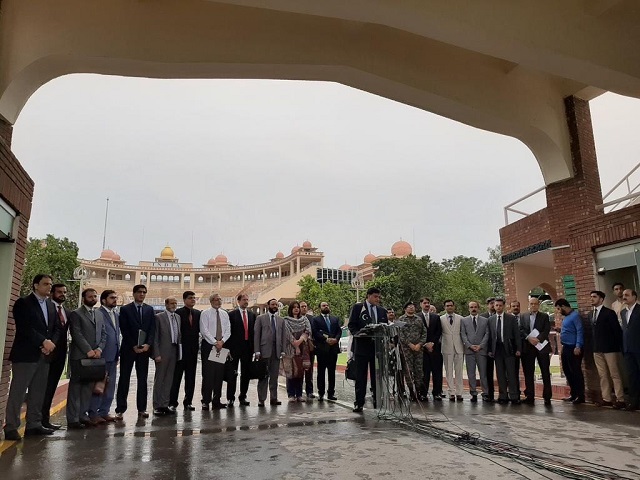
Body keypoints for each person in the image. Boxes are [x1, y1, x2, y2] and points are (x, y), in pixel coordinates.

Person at [4, 274, 58, 441]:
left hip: (45, 355)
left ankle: (34, 424)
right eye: (45, 284)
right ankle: (11, 427)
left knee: (38, 392)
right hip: (26, 355)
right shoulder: (23, 303)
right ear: (35, 285)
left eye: (50, 284)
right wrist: (43, 341)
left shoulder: (50, 305)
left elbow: (56, 328)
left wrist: (51, 344)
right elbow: (25, 327)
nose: (49, 287)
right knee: (18, 392)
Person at [66, 288, 107, 429]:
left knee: (88, 389)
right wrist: (88, 350)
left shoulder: (99, 314)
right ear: (84, 298)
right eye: (90, 296)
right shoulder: (76, 314)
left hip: (95, 357)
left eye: (95, 296)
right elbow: (76, 334)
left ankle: (83, 416)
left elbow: (103, 334)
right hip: (80, 357)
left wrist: (99, 349)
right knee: (75, 389)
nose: (93, 298)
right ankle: (73, 419)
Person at [115, 284, 156, 419]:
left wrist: (148, 345)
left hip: (144, 350)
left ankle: (142, 409)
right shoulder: (126, 309)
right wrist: (133, 344)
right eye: (139, 292)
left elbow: (152, 329)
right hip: (129, 349)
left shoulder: (150, 310)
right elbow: (124, 329)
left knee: (142, 380)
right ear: (134, 294)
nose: (142, 294)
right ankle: (120, 409)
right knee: (124, 379)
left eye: (144, 292)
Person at [349, 287, 388, 413]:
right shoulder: (358, 308)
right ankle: (359, 403)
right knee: (361, 376)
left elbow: (385, 327)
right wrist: (358, 333)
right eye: (375, 297)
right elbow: (352, 325)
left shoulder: (382, 311)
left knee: (377, 375)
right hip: (361, 347)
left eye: (379, 297)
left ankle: (378, 400)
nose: (378, 299)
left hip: (377, 348)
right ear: (368, 296)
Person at [41, 283, 70, 430]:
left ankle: (45, 420)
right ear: (52, 293)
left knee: (51, 387)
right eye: (59, 292)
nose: (62, 294)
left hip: (60, 355)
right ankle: (38, 420)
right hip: (45, 353)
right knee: (42, 388)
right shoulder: (46, 306)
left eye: (64, 292)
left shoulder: (66, 311)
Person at [88, 289, 120, 423]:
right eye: (112, 298)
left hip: (113, 355)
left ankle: (104, 411)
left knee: (110, 386)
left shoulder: (116, 314)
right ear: (104, 300)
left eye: (116, 298)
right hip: (101, 355)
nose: (115, 300)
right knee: (98, 386)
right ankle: (93, 413)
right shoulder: (97, 313)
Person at [590, 290, 625, 409]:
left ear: (601, 299)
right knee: (602, 375)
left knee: (614, 374)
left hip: (609, 348)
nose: (592, 299)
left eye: (594, 297)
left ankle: (620, 398)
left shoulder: (609, 313)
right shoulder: (591, 314)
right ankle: (607, 398)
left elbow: (616, 331)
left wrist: (619, 346)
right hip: (597, 348)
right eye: (591, 297)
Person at [170, 290, 200, 411]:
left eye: (194, 298)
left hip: (193, 351)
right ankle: (172, 402)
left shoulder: (198, 313)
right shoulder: (178, 313)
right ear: (184, 300)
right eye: (190, 298)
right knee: (176, 377)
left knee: (191, 377)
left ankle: (188, 402)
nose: (193, 299)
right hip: (180, 350)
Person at [200, 293, 231, 410]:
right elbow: (204, 330)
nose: (218, 301)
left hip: (221, 345)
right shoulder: (205, 313)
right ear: (211, 301)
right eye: (216, 299)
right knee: (208, 374)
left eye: (220, 299)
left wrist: (222, 341)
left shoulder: (224, 314)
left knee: (219, 374)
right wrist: (215, 342)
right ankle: (206, 400)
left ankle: (216, 400)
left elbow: (228, 330)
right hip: (209, 345)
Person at [519, 297, 552, 406]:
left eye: (535, 304)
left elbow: (546, 329)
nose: (533, 306)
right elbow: (521, 329)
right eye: (531, 304)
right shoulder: (523, 316)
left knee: (545, 372)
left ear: (539, 305)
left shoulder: (544, 316)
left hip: (541, 347)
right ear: (529, 304)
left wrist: (538, 339)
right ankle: (530, 396)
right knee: (528, 373)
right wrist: (529, 338)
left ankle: (547, 397)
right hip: (528, 347)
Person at [488, 298, 521, 404]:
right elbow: (490, 337)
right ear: (494, 306)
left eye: (500, 305)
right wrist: (490, 350)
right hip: (497, 349)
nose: (498, 307)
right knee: (500, 373)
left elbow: (517, 334)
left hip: (509, 348)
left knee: (511, 373)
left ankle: (514, 396)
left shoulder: (511, 318)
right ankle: (503, 396)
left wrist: (518, 349)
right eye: (496, 305)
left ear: (504, 306)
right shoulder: (491, 319)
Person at [254, 298, 286, 407]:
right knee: (263, 376)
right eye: (273, 304)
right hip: (263, 351)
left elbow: (283, 337)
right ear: (268, 305)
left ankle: (274, 398)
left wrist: (283, 351)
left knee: (274, 377)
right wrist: (257, 350)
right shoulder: (260, 318)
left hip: (276, 351)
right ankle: (261, 399)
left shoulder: (281, 320)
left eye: (276, 305)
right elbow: (256, 335)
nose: (274, 306)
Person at [152, 297, 181, 415]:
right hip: (162, 351)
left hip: (174, 350)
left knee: (169, 379)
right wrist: (156, 354)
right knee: (160, 378)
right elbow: (155, 337)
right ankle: (156, 405)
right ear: (166, 304)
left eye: (175, 303)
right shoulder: (159, 317)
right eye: (172, 303)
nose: (174, 305)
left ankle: (165, 404)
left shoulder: (178, 317)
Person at [226, 293, 256, 407]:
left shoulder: (252, 315)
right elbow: (228, 332)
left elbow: (254, 333)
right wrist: (227, 348)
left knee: (246, 374)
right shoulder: (231, 315)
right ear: (238, 301)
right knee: (232, 374)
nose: (246, 301)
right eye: (244, 299)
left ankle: (243, 396)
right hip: (234, 348)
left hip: (248, 348)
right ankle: (230, 398)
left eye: (247, 299)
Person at [282, 301, 312, 402]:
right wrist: (295, 344)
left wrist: (300, 341)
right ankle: (291, 394)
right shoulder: (286, 320)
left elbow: (308, 331)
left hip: (303, 347)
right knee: (290, 372)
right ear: (290, 309)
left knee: (300, 372)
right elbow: (287, 334)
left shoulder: (304, 319)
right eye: (294, 307)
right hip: (289, 348)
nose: (296, 309)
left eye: (297, 307)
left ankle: (299, 394)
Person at [556, 298, 585, 404]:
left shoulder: (575, 316)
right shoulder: (567, 317)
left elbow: (579, 331)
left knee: (576, 371)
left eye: (559, 309)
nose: (559, 311)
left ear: (563, 306)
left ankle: (580, 395)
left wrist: (578, 346)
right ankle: (573, 393)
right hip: (566, 347)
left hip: (574, 347)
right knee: (567, 370)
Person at [311, 301, 341, 401]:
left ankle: (331, 393)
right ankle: (321, 393)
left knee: (332, 372)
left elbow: (338, 331)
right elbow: (315, 332)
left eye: (327, 305)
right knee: (321, 372)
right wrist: (325, 339)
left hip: (333, 349)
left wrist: (336, 339)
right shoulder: (316, 320)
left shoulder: (335, 319)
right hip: (322, 349)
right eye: (324, 305)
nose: (326, 307)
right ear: (320, 308)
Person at [397, 301, 427, 401]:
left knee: (419, 371)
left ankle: (418, 391)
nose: (411, 308)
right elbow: (400, 335)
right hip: (406, 350)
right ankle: (411, 391)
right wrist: (410, 344)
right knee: (408, 370)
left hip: (418, 349)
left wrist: (419, 344)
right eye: (409, 307)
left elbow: (424, 333)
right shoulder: (401, 320)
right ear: (405, 309)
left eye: (413, 307)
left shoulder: (419, 319)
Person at [460, 301, 489, 402]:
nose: (473, 309)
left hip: (481, 351)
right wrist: (469, 345)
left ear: (478, 308)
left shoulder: (485, 320)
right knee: (471, 373)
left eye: (475, 307)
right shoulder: (464, 320)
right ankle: (473, 393)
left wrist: (480, 346)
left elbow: (487, 334)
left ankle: (485, 393)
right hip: (469, 351)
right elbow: (463, 335)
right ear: (469, 309)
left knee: (483, 373)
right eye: (471, 307)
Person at [417, 297, 443, 401]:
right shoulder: (417, 317)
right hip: (422, 349)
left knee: (437, 372)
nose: (427, 305)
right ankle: (423, 393)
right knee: (424, 373)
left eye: (428, 303)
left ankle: (437, 393)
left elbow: (439, 331)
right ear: (421, 304)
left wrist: (432, 343)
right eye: (424, 303)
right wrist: (425, 344)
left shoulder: (436, 317)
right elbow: (417, 333)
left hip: (435, 349)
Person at [441, 299, 464, 402]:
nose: (449, 307)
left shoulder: (461, 318)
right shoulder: (440, 319)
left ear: (454, 307)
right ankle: (451, 392)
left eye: (451, 305)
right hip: (447, 347)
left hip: (459, 346)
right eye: (447, 306)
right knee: (448, 371)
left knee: (459, 371)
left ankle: (459, 392)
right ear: (444, 307)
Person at [620, 289, 640, 411]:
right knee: (632, 376)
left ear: (634, 297)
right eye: (623, 295)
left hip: (638, 347)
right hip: (627, 348)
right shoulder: (623, 312)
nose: (624, 297)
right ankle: (634, 402)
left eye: (627, 295)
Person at [480, 297, 496, 402]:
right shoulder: (482, 317)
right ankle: (488, 393)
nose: (493, 305)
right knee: (487, 372)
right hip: (486, 349)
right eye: (491, 303)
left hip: (499, 348)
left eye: (495, 303)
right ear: (487, 305)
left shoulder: (502, 316)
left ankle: (505, 394)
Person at [299, 301, 316, 400]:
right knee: (299, 371)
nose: (304, 308)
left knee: (309, 371)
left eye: (305, 306)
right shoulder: (296, 319)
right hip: (299, 348)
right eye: (302, 306)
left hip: (309, 348)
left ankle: (309, 391)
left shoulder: (311, 319)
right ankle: (299, 392)